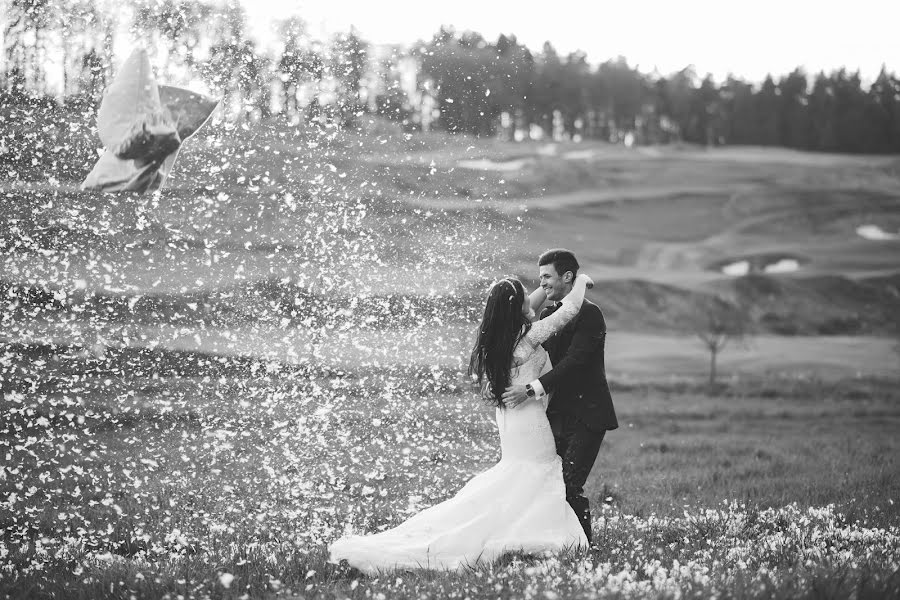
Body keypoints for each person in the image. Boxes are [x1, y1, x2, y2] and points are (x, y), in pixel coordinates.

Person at [328, 273, 594, 573]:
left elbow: (526, 303)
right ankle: (528, 531)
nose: (532, 299)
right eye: (524, 299)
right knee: (538, 469)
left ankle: (514, 524)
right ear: (516, 309)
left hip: (512, 421)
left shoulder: (500, 337)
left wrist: (535, 291)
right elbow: (569, 310)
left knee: (519, 473)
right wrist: (581, 280)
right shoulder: (528, 339)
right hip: (528, 420)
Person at [502, 249, 617, 545]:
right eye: (539, 278)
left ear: (568, 276)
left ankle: (584, 547)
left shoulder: (590, 313)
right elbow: (525, 310)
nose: (542, 284)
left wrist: (530, 390)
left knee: (568, 485)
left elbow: (574, 362)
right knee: (547, 482)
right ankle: (552, 542)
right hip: (555, 414)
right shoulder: (549, 315)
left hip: (587, 414)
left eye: (547, 277)